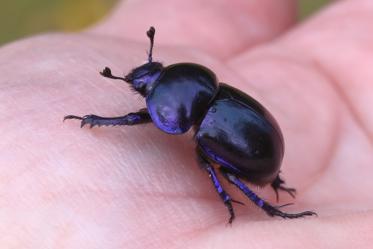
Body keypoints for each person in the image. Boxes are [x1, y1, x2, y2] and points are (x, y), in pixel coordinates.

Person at [0, 0, 372, 248]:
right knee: (210, 162)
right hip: (264, 147)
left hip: (259, 153)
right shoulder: (210, 92)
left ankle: (267, 207)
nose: (144, 82)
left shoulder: (202, 115)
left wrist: (98, 119)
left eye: (150, 81)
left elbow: (134, 118)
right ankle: (267, 195)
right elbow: (138, 117)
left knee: (214, 167)